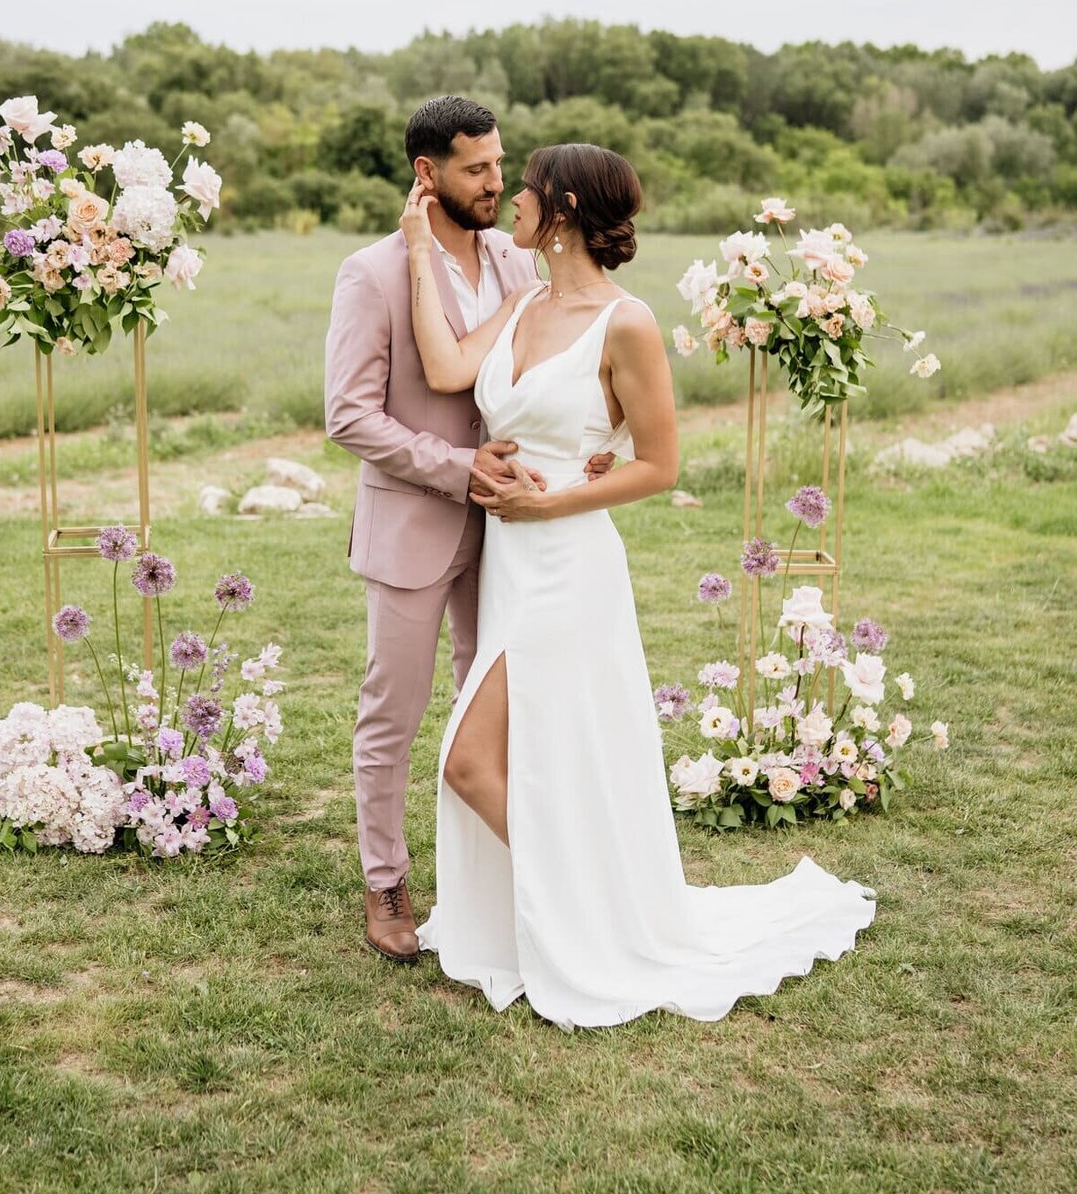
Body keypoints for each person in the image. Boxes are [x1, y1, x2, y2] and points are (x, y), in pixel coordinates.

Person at [399, 141, 878, 1028]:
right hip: (512, 564)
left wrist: (554, 499)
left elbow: (660, 464)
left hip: (568, 561)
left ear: (565, 209)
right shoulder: (522, 301)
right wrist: (419, 250)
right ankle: (581, 903)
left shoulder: (627, 322)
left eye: (527, 189)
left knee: (468, 761)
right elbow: (444, 369)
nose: (513, 201)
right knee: (541, 751)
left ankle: (587, 915)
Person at [324, 97, 611, 964]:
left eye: (499, 165)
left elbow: (574, 354)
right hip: (414, 526)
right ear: (427, 172)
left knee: (501, 711)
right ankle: (385, 882)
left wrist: (593, 449)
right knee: (393, 716)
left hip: (512, 534)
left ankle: (499, 885)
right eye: (477, 168)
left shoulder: (519, 260)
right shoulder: (371, 273)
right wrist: (458, 469)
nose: (496, 182)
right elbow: (349, 415)